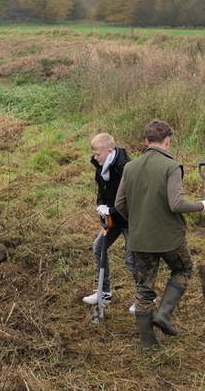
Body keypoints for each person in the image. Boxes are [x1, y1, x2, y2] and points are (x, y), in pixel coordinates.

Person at [115, 119, 205, 352]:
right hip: (169, 238)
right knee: (183, 269)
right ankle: (163, 315)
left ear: (146, 141)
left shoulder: (130, 167)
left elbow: (120, 203)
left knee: (143, 288)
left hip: (140, 238)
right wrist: (204, 205)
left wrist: (137, 220)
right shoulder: (172, 166)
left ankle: (148, 342)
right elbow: (177, 204)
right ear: (168, 141)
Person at [82, 133, 137, 313]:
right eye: (94, 154)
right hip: (113, 220)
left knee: (131, 260)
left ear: (110, 151)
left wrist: (111, 210)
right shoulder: (101, 165)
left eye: (98, 154)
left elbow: (132, 199)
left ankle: (145, 296)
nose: (95, 158)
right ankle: (104, 292)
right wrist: (101, 205)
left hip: (130, 220)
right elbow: (101, 189)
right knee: (99, 248)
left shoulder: (125, 168)